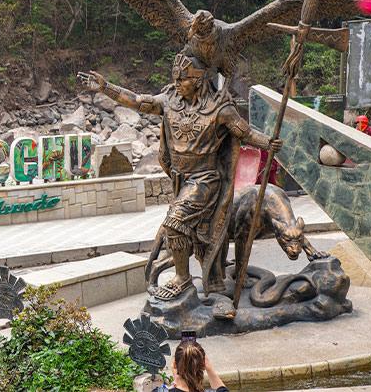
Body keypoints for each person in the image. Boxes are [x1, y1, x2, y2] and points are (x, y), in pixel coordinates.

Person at [80, 53, 281, 301]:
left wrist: (268, 144)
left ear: (197, 81)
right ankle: (211, 280)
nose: (177, 83)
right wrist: (105, 87)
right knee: (189, 232)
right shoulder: (169, 100)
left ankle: (182, 279)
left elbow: (245, 132)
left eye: (182, 79)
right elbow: (137, 101)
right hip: (180, 179)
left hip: (205, 179)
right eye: (175, 78)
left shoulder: (220, 108)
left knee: (174, 223)